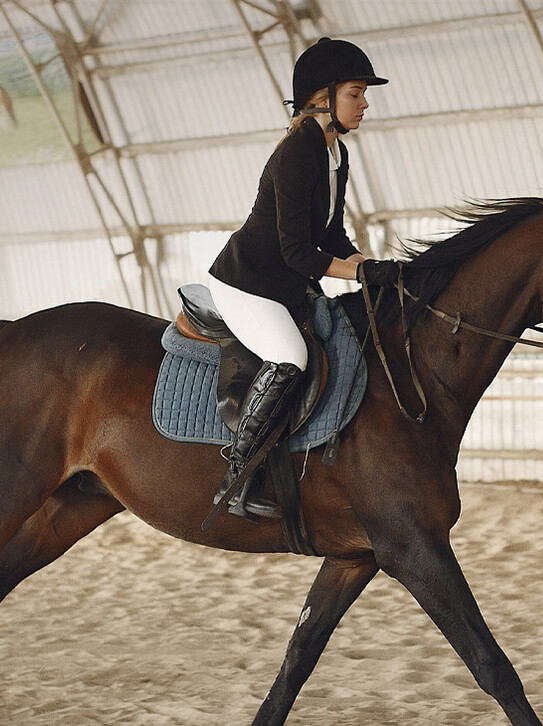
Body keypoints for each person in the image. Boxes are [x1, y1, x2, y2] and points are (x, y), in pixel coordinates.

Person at [206, 38, 399, 521]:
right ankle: (238, 475)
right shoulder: (298, 152)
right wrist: (358, 273)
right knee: (291, 356)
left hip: (286, 285)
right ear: (324, 97)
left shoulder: (337, 155)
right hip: (248, 284)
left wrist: (370, 268)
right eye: (356, 93)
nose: (365, 102)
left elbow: (331, 234)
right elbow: (297, 252)